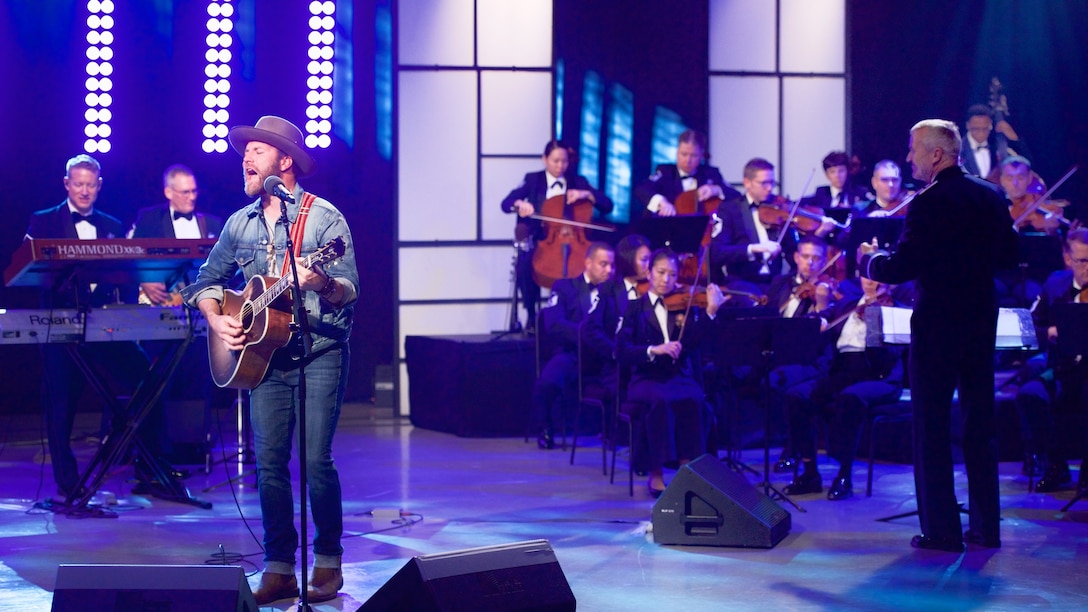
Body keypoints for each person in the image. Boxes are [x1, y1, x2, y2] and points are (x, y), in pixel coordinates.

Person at [182, 116, 359, 604]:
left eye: (258, 151)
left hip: (319, 352)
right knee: (270, 466)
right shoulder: (238, 223)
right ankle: (279, 568)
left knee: (316, 461)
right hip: (264, 359)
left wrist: (319, 280)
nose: (247, 158)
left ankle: (327, 563)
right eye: (246, 151)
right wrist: (216, 318)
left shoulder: (323, 219)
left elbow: (349, 290)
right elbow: (203, 280)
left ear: (285, 162)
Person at [859, 119, 1018, 551]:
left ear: (935, 155)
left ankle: (942, 531)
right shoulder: (991, 194)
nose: (908, 157)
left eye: (913, 150)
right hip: (981, 321)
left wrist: (870, 261)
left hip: (937, 327)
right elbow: (1010, 256)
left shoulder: (927, 202)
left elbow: (902, 267)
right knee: (980, 424)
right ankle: (987, 528)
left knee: (930, 427)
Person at [26, 154, 152, 500]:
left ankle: (143, 462)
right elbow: (29, 271)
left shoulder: (112, 224)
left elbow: (127, 274)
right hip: (58, 327)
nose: (84, 191)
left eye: (90, 184)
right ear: (66, 184)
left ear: (99, 186)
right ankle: (68, 484)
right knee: (62, 399)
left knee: (144, 373)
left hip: (102, 325)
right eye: (77, 184)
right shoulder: (43, 222)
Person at [780, 277, 904, 500]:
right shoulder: (848, 305)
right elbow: (820, 318)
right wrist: (817, 321)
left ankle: (844, 474)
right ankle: (810, 474)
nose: (871, 282)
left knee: (850, 398)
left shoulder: (893, 308)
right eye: (866, 275)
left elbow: (884, 361)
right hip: (843, 371)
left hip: (878, 376)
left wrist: (874, 320)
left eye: (876, 276)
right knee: (796, 396)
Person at [617, 249, 725, 495]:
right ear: (648, 272)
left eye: (672, 274)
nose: (666, 280)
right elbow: (622, 350)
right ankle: (655, 472)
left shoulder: (683, 305)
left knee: (695, 400)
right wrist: (654, 349)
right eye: (661, 272)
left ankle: (688, 468)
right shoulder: (634, 308)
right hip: (646, 378)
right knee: (661, 403)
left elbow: (694, 343)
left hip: (676, 377)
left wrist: (710, 312)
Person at [501, 141, 612, 332]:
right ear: (545, 159)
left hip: (576, 243)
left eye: (564, 161)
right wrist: (520, 204)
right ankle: (531, 316)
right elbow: (506, 203)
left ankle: (585, 316)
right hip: (543, 241)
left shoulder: (578, 182)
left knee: (594, 264)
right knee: (524, 265)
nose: (560, 166)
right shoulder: (533, 180)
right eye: (555, 161)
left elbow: (607, 205)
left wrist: (586, 194)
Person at [1015, 228, 1088, 493]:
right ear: (1068, 259)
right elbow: (1030, 325)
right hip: (1062, 369)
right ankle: (1055, 465)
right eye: (1083, 261)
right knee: (1030, 394)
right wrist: (1051, 332)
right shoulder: (1056, 283)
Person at [532, 242, 617, 449]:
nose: (609, 270)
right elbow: (553, 324)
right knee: (548, 381)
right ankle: (545, 426)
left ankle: (612, 433)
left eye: (612, 266)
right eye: (603, 264)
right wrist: (587, 336)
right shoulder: (564, 287)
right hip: (572, 352)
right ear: (588, 263)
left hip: (605, 355)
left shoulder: (617, 291)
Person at [130, 164, 224, 305]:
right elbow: (132, 256)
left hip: (204, 302)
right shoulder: (150, 219)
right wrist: (144, 281)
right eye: (185, 192)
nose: (192, 197)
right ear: (168, 192)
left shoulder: (212, 224)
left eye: (194, 191)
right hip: (164, 303)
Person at [633, 129, 741, 218]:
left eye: (693, 155)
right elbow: (641, 189)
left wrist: (717, 190)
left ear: (701, 155)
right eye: (683, 154)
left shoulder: (710, 173)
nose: (688, 160)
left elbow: (737, 196)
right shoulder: (665, 172)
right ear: (677, 152)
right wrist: (661, 201)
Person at [961, 104, 1029, 183]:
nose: (981, 134)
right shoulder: (959, 149)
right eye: (976, 129)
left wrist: (1014, 138)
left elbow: (1026, 165)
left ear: (991, 125)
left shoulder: (997, 145)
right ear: (967, 125)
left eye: (985, 129)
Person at [1000, 156, 1063, 235]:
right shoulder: (994, 206)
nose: (1015, 183)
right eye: (1010, 178)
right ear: (1002, 180)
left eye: (1020, 178)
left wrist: (1051, 231)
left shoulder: (1036, 202)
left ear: (1029, 178)